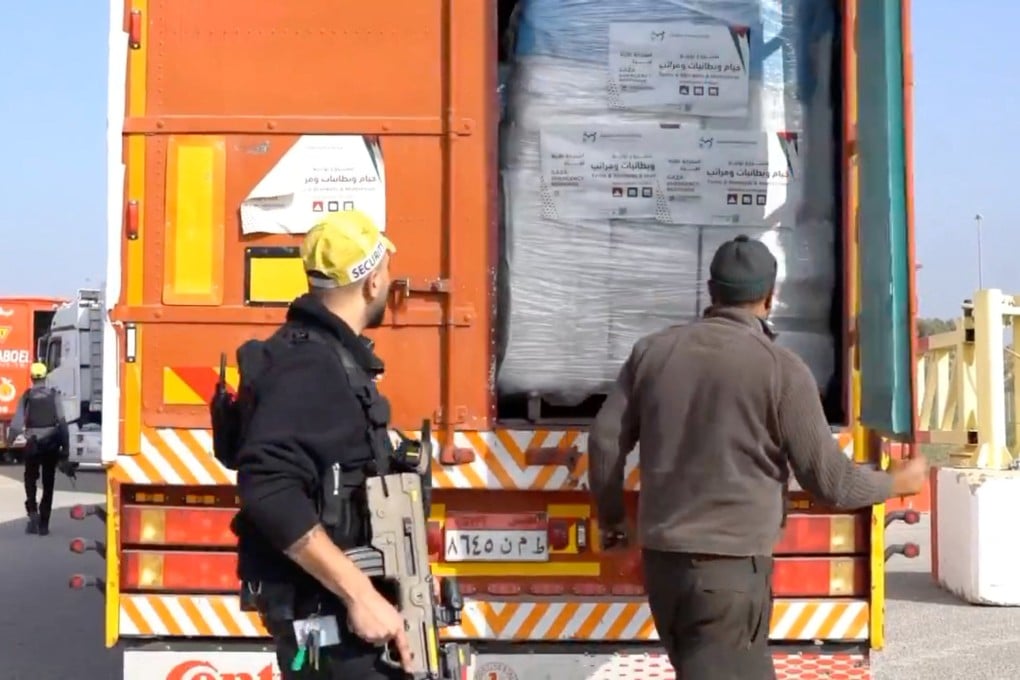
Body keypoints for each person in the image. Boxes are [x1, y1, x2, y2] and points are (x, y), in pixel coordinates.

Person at [587, 235, 929, 680]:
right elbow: (831, 482)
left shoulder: (652, 352)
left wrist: (613, 520)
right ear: (770, 297)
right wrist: (897, 483)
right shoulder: (781, 370)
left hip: (663, 567)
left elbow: (604, 442)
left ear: (711, 290)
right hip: (728, 575)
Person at [232, 210, 414, 679]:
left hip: (335, 614)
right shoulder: (313, 364)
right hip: (329, 615)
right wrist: (361, 595)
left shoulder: (326, 358)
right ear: (373, 282)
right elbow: (268, 487)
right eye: (387, 272)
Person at [12, 362, 70, 536]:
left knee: (30, 479)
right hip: (51, 446)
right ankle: (44, 524)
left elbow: (16, 424)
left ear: (31, 378)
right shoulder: (54, 396)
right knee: (48, 483)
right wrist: (65, 449)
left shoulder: (27, 396)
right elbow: (62, 423)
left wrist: (10, 439)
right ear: (45, 377)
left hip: (33, 445)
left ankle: (33, 512)